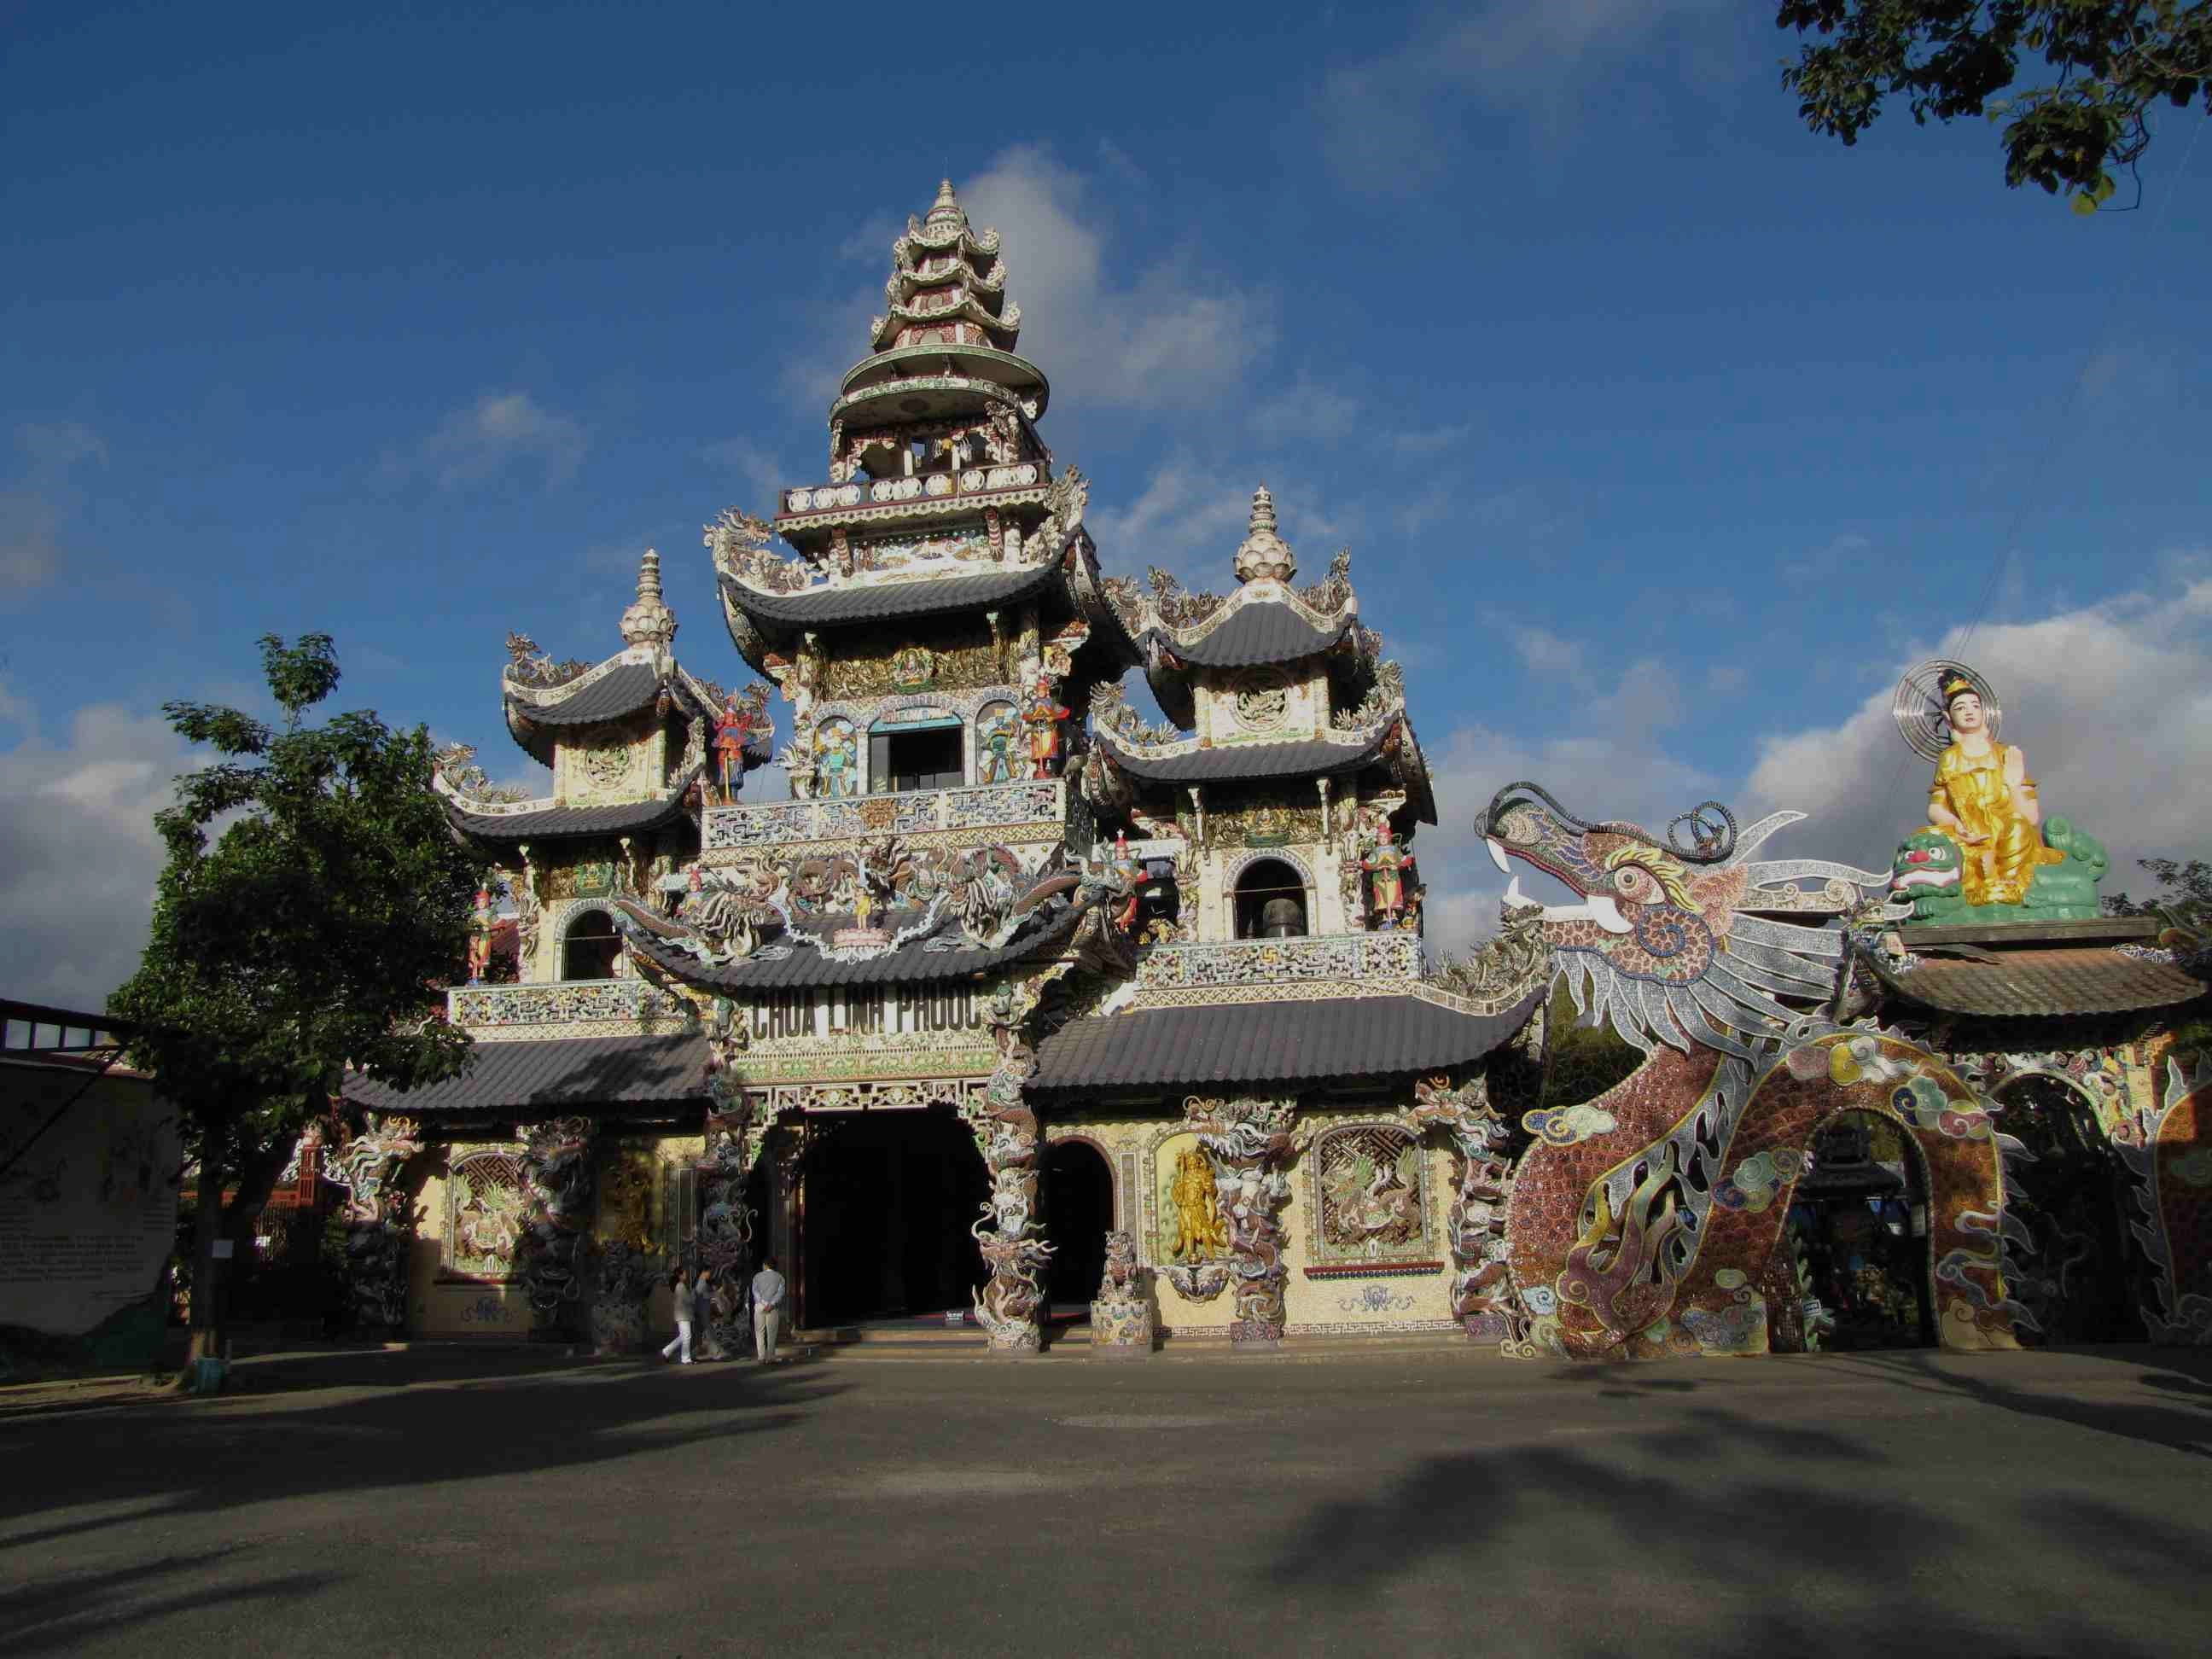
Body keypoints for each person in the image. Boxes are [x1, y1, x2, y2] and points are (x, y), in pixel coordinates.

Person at [1923, 673, 2063, 907]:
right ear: (1948, 719)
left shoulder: (2005, 754)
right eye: (1960, 707)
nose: (1969, 712)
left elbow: (2031, 817)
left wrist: (2013, 783)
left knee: (2018, 827)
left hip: (2009, 835)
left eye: (1975, 706)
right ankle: (1979, 883)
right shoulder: (1949, 759)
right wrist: (1958, 827)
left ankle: (2008, 883)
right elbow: (1936, 807)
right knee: (1928, 842)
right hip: (1969, 836)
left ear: (1984, 712)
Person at [752, 1254, 788, 1364]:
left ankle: (761, 1357)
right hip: (772, 1308)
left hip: (759, 1307)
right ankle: (771, 1357)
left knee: (759, 1332)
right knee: (771, 1333)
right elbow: (780, 1293)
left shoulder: (757, 1276)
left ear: (765, 1265)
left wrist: (763, 1303)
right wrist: (771, 1304)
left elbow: (755, 1291)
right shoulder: (780, 1277)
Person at [661, 1267, 695, 1365]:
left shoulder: (678, 1286)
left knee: (683, 1336)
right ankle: (686, 1359)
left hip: (681, 1314)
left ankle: (666, 1351)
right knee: (687, 1336)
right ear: (680, 1275)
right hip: (683, 1314)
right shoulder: (680, 1286)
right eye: (684, 1274)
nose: (686, 1276)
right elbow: (688, 1300)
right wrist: (693, 1294)